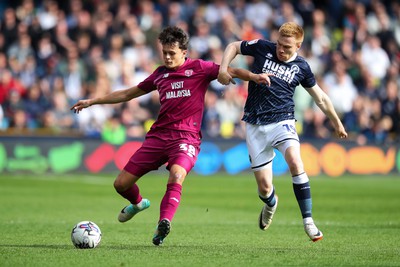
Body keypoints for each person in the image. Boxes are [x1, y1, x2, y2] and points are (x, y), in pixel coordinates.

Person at [70, 26, 270, 246]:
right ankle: (138, 204)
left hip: (186, 139)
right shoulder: (159, 74)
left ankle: (163, 223)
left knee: (176, 175)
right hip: (158, 138)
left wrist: (253, 76)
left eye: (171, 53)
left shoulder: (200, 68)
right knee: (121, 185)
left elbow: (231, 71)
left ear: (184, 52)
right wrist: (92, 101)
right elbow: (128, 93)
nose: (167, 57)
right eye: (164, 52)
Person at [217, 22, 348, 242]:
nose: (281, 49)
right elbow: (233, 46)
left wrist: (337, 123)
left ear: (298, 45)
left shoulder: (302, 67)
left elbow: (321, 98)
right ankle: (271, 203)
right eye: (279, 44)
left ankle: (308, 221)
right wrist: (222, 69)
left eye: (287, 47)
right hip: (254, 124)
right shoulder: (262, 47)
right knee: (265, 188)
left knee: (296, 162)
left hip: (283, 122)